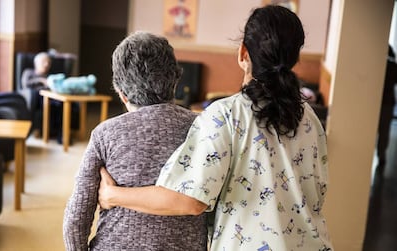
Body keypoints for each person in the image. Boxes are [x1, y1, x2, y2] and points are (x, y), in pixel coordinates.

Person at [98, 5, 334, 251]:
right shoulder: (309, 118)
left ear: (243, 53)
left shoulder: (226, 115)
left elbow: (188, 200)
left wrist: (112, 195)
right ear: (295, 58)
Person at [63, 31, 207, 250]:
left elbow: (76, 218)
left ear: (121, 93)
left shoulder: (105, 134)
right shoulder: (203, 127)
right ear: (175, 81)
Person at [376, 45, 397, 177]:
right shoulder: (394, 66)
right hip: (388, 103)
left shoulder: (377, 65)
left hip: (374, 102)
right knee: (384, 131)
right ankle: (381, 155)